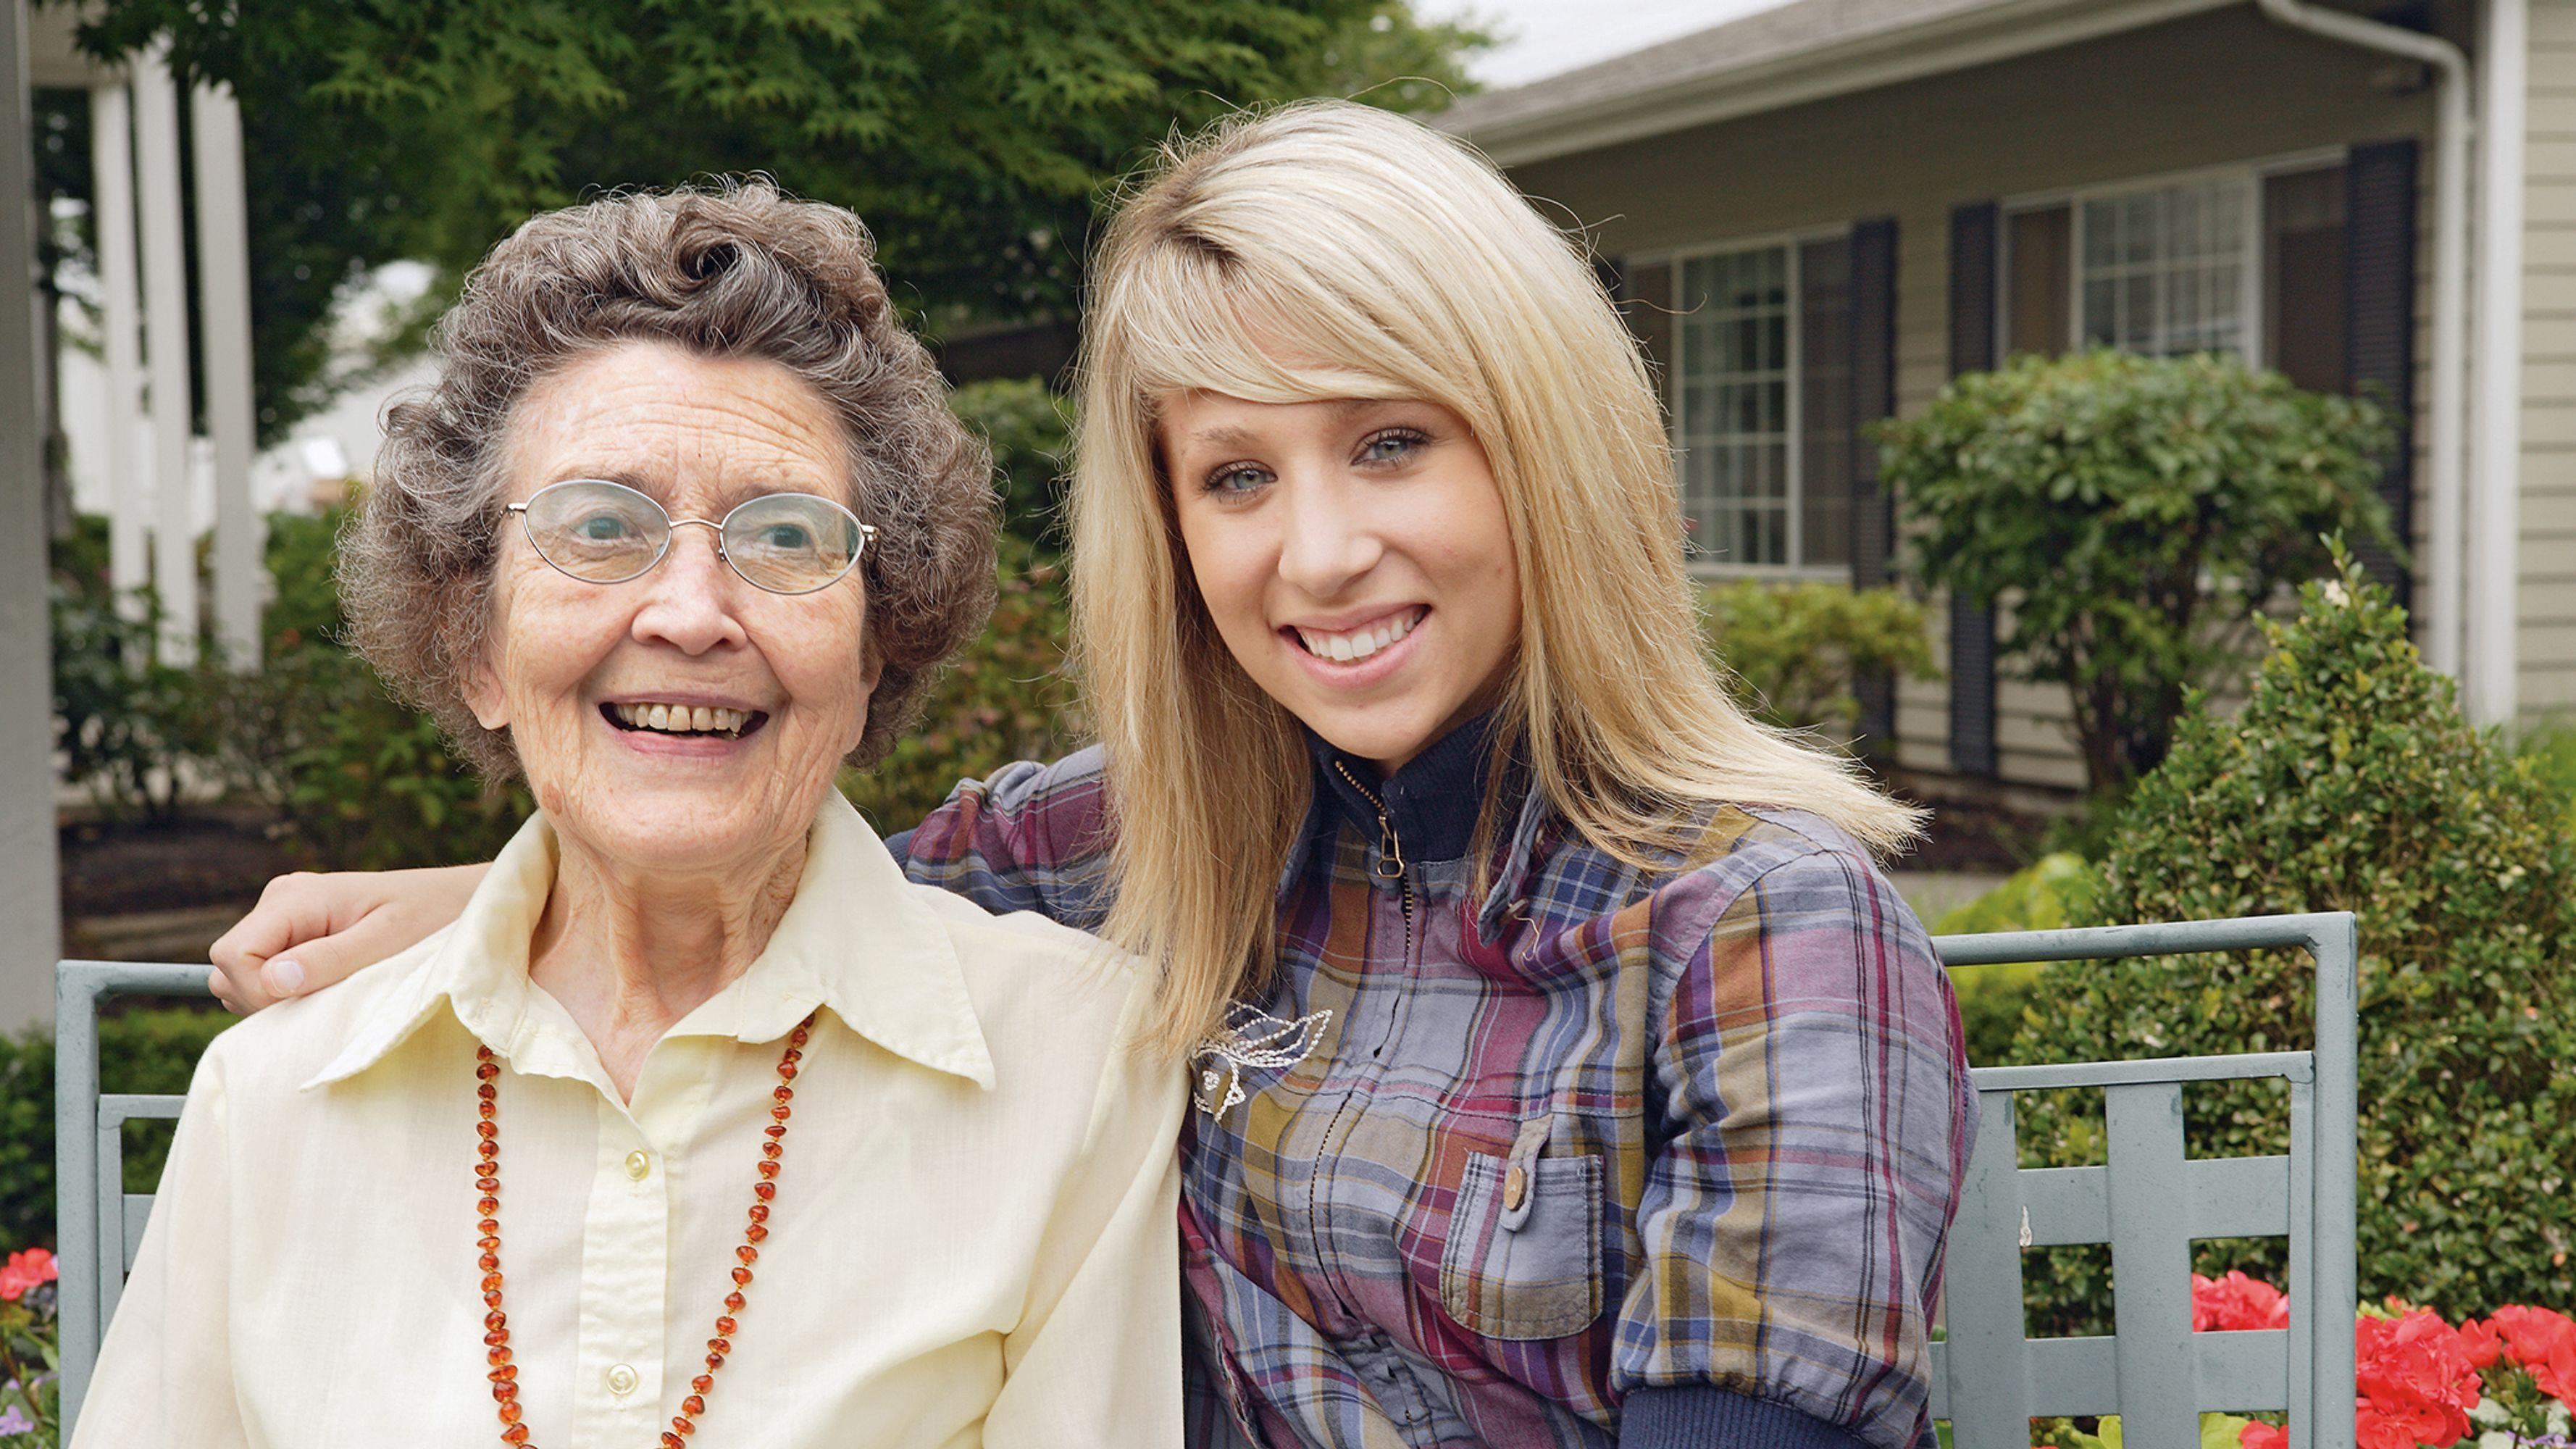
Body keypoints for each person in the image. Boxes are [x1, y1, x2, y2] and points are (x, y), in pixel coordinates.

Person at [211, 102, 1973, 1449]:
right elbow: (803, 852)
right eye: (1232, 477)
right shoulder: (1167, 834)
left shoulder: (1762, 924)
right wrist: (501, 900)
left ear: (1547, 450)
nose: (1321, 552)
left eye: (1388, 442)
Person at [81, 183, 1184, 1449]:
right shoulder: (274, 1102)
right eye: (601, 527)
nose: (692, 611)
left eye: (784, 535)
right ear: (473, 641)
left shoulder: (1079, 1063)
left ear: (877, 645)